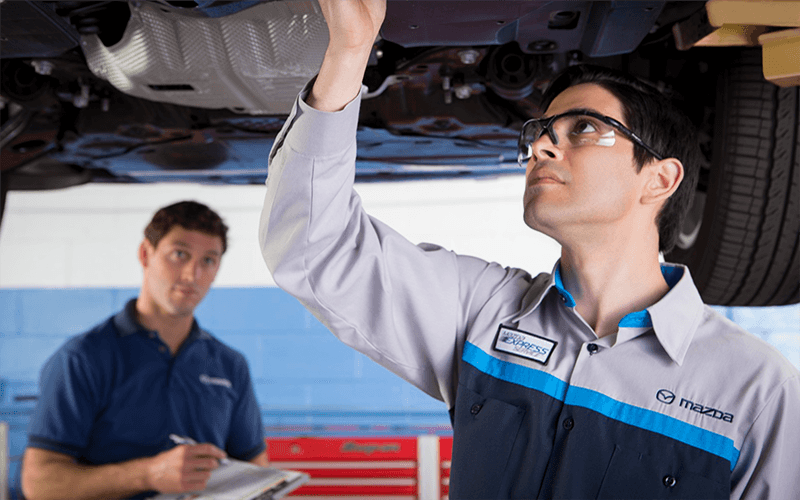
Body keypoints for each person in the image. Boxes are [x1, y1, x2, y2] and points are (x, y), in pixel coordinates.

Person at [259, 1, 800, 498]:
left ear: (659, 179)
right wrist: (349, 52)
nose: (539, 144)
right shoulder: (483, 313)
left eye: (584, 128)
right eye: (540, 131)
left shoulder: (755, 390)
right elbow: (315, 246)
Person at [21, 201, 268, 500]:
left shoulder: (230, 365)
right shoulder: (82, 358)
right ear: (145, 254)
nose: (192, 274)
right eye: (180, 255)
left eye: (209, 260)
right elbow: (40, 484)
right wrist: (149, 474)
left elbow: (254, 468)